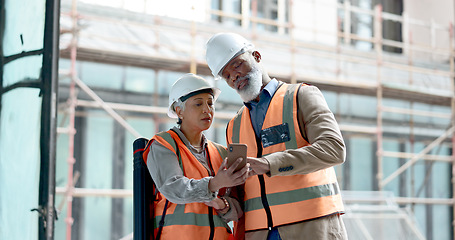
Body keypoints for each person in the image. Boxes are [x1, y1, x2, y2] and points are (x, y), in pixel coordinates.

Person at [205, 33, 348, 240]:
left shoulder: (301, 96)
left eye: (237, 65)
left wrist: (268, 164)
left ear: (256, 56)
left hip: (311, 227)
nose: (234, 76)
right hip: (259, 233)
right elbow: (240, 195)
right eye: (227, 75)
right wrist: (224, 203)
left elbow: (333, 149)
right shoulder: (233, 127)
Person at [144, 73, 249, 240]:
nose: (207, 110)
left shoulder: (220, 152)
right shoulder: (163, 145)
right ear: (179, 111)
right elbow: (173, 188)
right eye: (198, 104)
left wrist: (222, 204)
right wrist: (215, 184)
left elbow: (238, 212)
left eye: (210, 103)